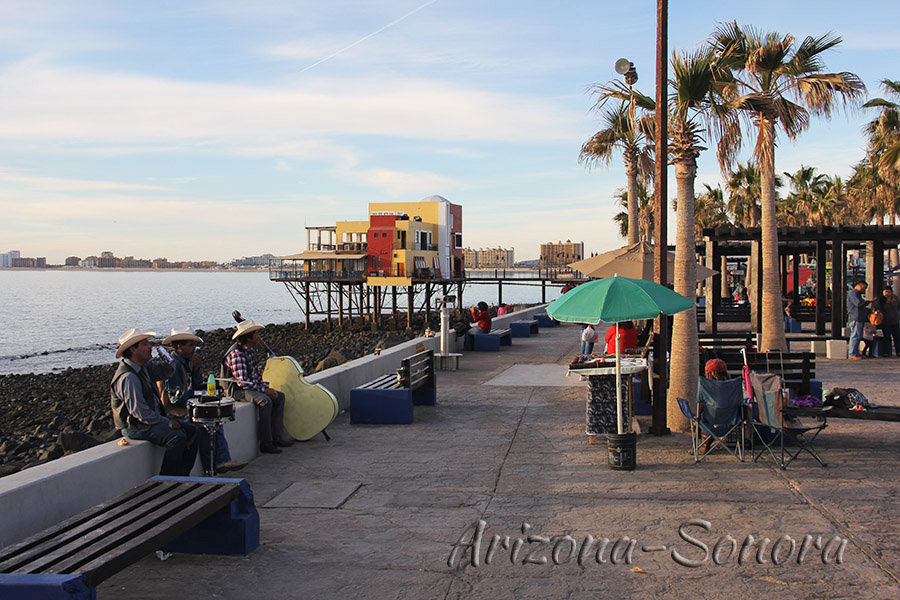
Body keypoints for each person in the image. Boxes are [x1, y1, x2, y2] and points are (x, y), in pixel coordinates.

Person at [110, 328, 198, 476]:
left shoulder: (144, 366)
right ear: (133, 349)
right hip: (136, 426)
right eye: (145, 344)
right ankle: (166, 480)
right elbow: (140, 412)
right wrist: (166, 422)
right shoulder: (128, 377)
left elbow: (167, 371)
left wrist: (166, 355)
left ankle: (183, 475)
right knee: (177, 437)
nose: (150, 347)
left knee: (193, 431)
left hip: (150, 420)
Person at [160, 327, 246, 474]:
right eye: (190, 345)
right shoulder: (173, 366)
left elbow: (196, 383)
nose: (194, 349)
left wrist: (196, 369)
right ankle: (212, 465)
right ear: (179, 346)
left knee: (215, 418)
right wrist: (201, 399)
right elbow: (177, 398)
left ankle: (220, 461)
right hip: (177, 411)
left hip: (189, 403)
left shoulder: (187, 362)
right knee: (206, 423)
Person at [222, 320, 294, 454]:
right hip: (236, 391)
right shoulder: (236, 354)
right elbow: (242, 382)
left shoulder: (248, 351)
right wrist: (264, 390)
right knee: (264, 401)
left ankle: (277, 436)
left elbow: (254, 376)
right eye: (256, 333)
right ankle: (266, 442)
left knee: (280, 397)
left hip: (247, 387)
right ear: (248, 337)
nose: (258, 336)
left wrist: (265, 387)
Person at [847, 281, 870, 359]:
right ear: (860, 286)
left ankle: (855, 352)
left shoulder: (857, 294)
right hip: (855, 317)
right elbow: (858, 304)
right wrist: (868, 302)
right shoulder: (853, 293)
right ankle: (852, 353)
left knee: (858, 335)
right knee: (855, 335)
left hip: (859, 317)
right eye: (864, 288)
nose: (864, 290)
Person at [874, 287, 900, 357]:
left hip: (895, 321)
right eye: (886, 292)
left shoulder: (895, 298)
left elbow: (898, 307)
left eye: (889, 292)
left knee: (897, 337)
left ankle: (898, 351)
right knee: (887, 338)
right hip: (886, 322)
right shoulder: (880, 300)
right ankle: (887, 352)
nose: (887, 294)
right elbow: (878, 309)